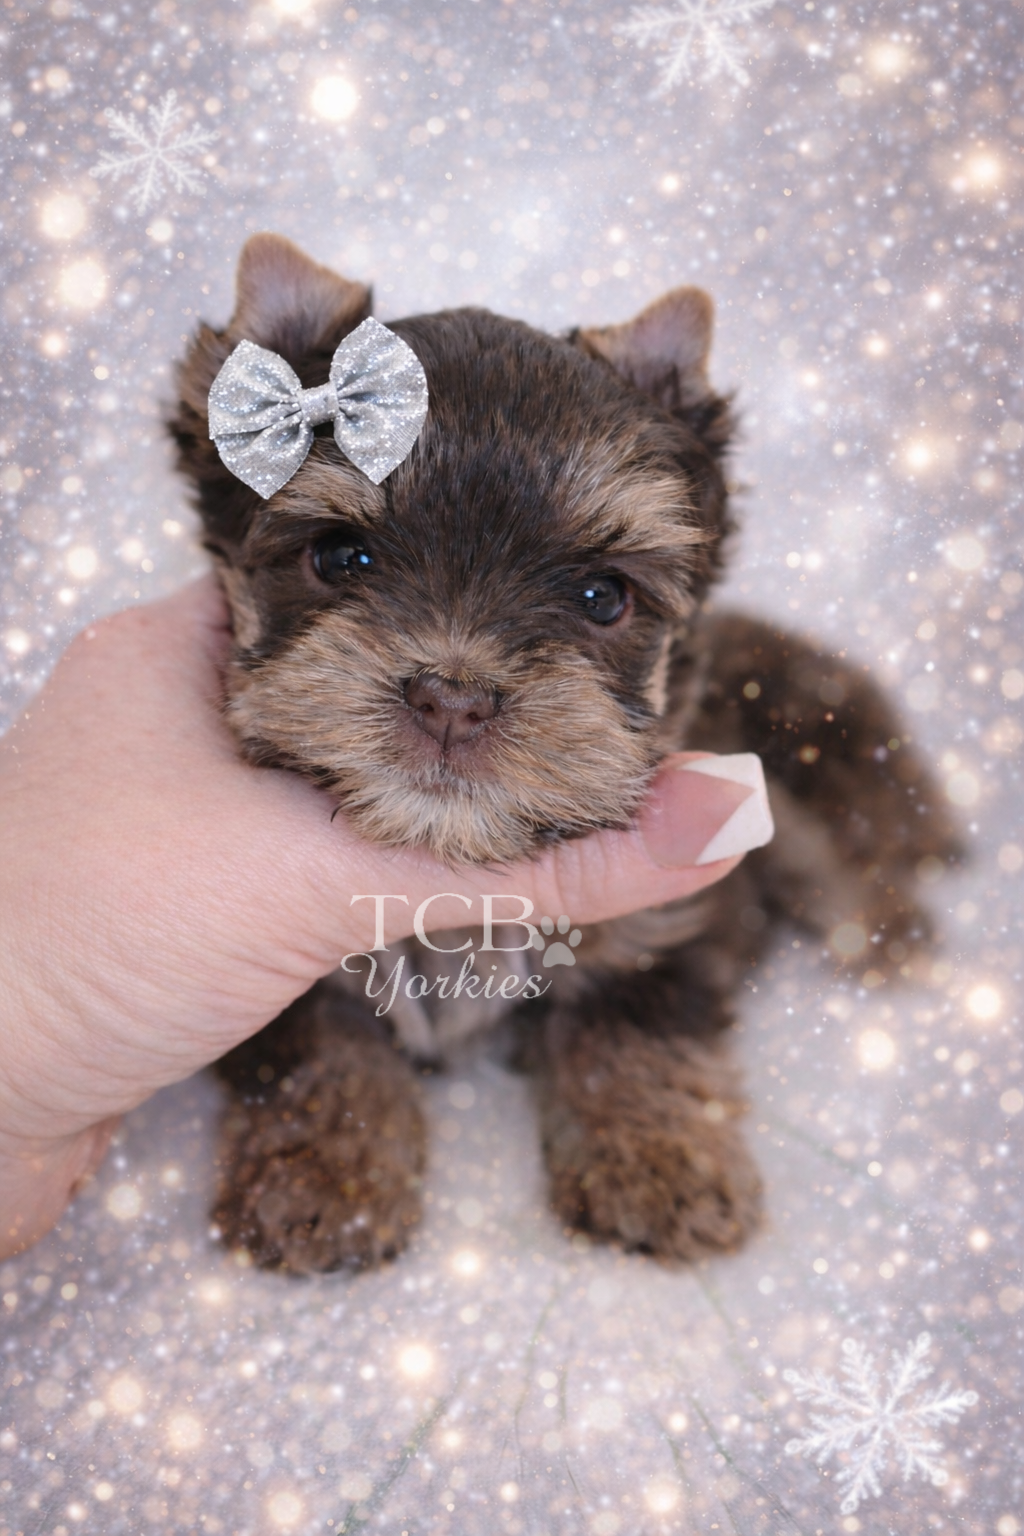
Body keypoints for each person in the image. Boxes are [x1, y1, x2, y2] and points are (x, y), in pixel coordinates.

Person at [0, 577, 763, 1259]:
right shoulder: (193, 852)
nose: (455, 690)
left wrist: (640, 1107)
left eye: (597, 598)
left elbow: (669, 954)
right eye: (344, 560)